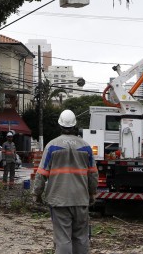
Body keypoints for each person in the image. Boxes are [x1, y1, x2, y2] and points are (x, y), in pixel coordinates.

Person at [34, 109, 98, 254]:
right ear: (74, 125)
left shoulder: (52, 145)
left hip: (59, 200)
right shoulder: (86, 146)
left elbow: (41, 174)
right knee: (81, 238)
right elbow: (93, 174)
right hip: (81, 199)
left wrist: (37, 194)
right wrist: (92, 193)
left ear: (60, 125)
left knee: (63, 239)